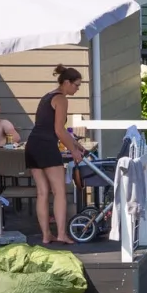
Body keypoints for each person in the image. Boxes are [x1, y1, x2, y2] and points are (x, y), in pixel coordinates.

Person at [25, 65, 88, 245]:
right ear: (66, 82)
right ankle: (61, 234)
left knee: (42, 192)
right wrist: (75, 152)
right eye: (76, 85)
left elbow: (48, 127)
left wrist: (74, 143)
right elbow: (59, 130)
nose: (77, 88)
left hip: (32, 145)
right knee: (59, 191)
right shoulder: (61, 98)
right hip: (46, 146)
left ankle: (46, 235)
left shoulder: (47, 96)